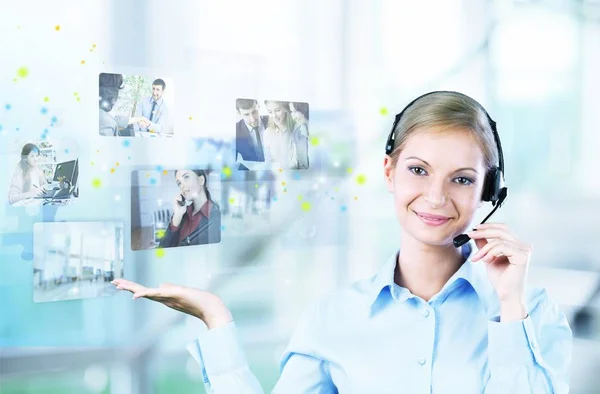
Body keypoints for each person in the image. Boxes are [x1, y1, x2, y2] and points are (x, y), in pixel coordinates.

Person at [112, 91, 572, 393]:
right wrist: (215, 319)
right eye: (418, 169)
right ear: (389, 172)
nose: (435, 196)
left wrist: (511, 308)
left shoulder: (530, 315)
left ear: (488, 192)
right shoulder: (334, 318)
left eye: (462, 179)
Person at [158, 170, 221, 247]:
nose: (182, 186)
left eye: (186, 177)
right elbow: (162, 248)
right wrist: (177, 217)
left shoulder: (217, 218)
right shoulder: (181, 214)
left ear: (201, 180)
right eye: (179, 183)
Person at [263, 100, 298, 169]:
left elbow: (296, 162)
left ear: (285, 109)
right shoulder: (267, 133)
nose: (274, 116)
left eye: (277, 110)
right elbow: (267, 161)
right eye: (270, 112)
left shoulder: (296, 129)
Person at [236, 99, 269, 167]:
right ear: (239, 113)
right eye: (246, 114)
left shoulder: (273, 122)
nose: (253, 119)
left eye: (254, 112)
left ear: (259, 106)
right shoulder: (235, 131)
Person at [289, 101, 310, 169]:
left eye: (295, 111)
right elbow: (296, 160)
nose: (293, 117)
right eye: (291, 112)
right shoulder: (297, 132)